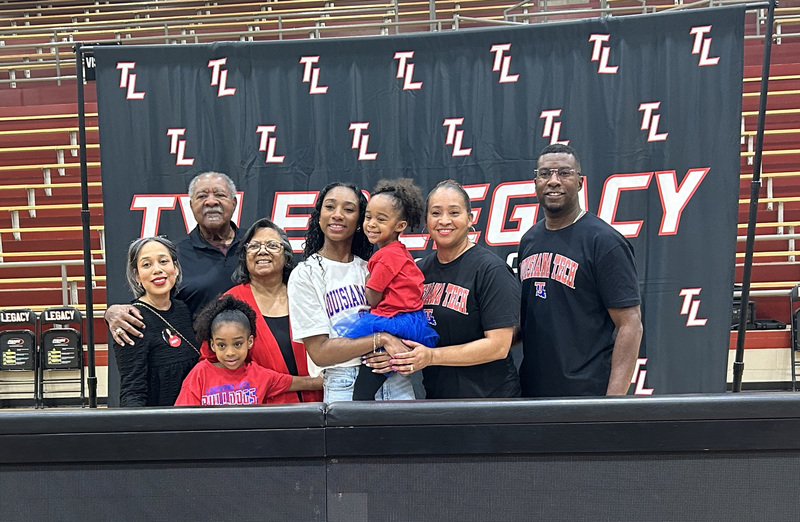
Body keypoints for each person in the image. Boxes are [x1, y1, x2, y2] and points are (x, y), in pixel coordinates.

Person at [517, 144, 643, 397]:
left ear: (580, 182)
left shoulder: (604, 242)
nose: (553, 181)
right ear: (535, 182)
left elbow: (630, 325)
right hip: (532, 390)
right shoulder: (529, 240)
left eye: (564, 173)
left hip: (587, 393)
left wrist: (613, 402)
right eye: (545, 174)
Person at [379, 180, 522, 399]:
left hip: (490, 402)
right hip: (439, 400)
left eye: (454, 212)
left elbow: (498, 346)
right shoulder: (418, 271)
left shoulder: (490, 270)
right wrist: (390, 353)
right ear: (427, 221)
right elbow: (406, 328)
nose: (444, 220)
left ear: (470, 219)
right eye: (436, 213)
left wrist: (431, 357)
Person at [287, 181, 414, 402]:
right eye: (330, 207)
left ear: (360, 221)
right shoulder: (305, 274)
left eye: (348, 209)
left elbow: (406, 316)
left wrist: (398, 354)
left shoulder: (372, 268)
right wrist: (381, 340)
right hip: (344, 382)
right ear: (319, 216)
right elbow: (320, 352)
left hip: (394, 377)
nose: (337, 215)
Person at [107, 171, 246, 346]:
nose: (211, 201)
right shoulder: (173, 255)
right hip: (197, 362)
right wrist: (112, 312)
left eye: (219, 194)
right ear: (191, 205)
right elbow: (149, 304)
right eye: (202, 196)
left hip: (257, 360)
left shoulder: (255, 246)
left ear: (234, 203)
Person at [333, 178, 439, 401]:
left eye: (381, 219)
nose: (371, 224)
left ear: (399, 226)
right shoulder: (399, 252)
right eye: (369, 217)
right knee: (378, 374)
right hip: (408, 322)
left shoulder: (385, 257)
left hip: (393, 322)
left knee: (362, 391)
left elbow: (372, 297)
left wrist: (369, 278)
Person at [198, 218, 322, 403]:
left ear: (287, 255)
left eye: (272, 245)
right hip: (262, 415)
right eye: (254, 246)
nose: (262, 251)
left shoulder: (308, 292)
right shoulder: (229, 303)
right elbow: (212, 364)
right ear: (244, 256)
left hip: (320, 408)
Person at [175, 295, 321, 406]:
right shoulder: (200, 374)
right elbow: (182, 417)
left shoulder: (260, 376)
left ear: (249, 341)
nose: (230, 352)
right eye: (221, 345)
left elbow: (308, 383)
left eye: (237, 344)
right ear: (212, 345)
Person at [113, 236, 200, 407]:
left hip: (194, 420)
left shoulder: (183, 308)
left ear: (175, 268)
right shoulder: (130, 320)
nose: (157, 269)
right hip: (160, 424)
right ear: (137, 275)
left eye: (163, 261)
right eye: (147, 264)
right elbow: (132, 392)